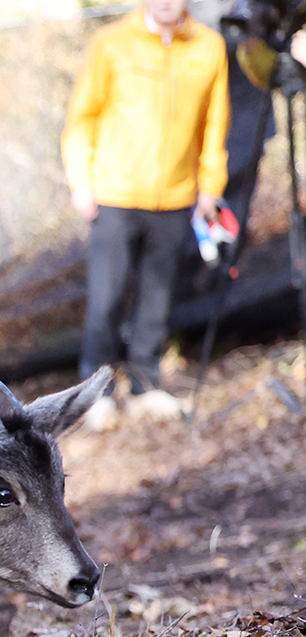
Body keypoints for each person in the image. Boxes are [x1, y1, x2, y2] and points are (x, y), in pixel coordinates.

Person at [62, 0, 229, 429]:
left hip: (175, 198)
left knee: (156, 301)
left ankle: (145, 385)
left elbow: (215, 122)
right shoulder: (110, 43)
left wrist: (211, 185)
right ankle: (94, 394)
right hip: (114, 195)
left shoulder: (209, 48)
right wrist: (81, 181)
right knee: (106, 298)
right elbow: (83, 117)